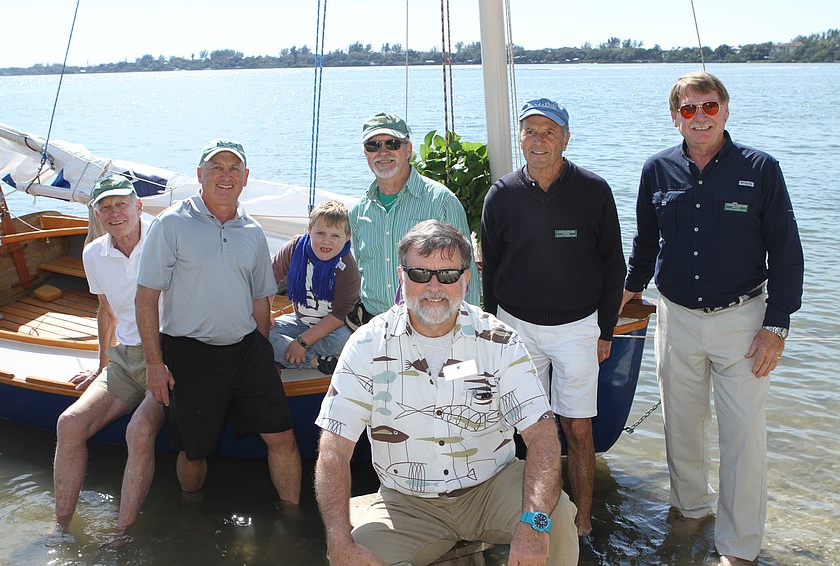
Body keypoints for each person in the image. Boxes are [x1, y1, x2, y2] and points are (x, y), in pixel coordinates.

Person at [314, 220, 580, 566]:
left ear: (466, 280)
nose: (434, 286)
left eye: (449, 275)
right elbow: (334, 448)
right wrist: (337, 538)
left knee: (556, 520)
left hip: (493, 487)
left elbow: (542, 435)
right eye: (421, 274)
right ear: (402, 277)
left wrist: (534, 524)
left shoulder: (500, 341)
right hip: (406, 504)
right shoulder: (366, 345)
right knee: (350, 559)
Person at [621, 71, 804, 564]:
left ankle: (739, 548)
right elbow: (644, 242)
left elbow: (787, 253)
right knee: (681, 426)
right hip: (675, 319)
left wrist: (776, 326)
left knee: (743, 436)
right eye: (688, 108)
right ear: (675, 115)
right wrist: (628, 292)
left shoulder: (761, 168)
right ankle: (690, 510)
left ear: (726, 109)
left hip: (744, 321)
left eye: (708, 106)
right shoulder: (656, 170)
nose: (699, 117)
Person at [480, 98, 626, 536]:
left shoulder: (594, 190)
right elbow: (492, 269)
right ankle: (532, 520)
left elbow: (612, 264)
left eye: (549, 131)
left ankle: (582, 523)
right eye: (530, 131)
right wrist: (491, 331)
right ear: (520, 138)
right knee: (523, 427)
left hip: (578, 328)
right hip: (516, 326)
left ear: (566, 138)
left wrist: (605, 331)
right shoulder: (500, 195)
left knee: (577, 428)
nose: (539, 140)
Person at [135, 139, 301, 503]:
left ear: (245, 177)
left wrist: (261, 352)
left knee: (284, 438)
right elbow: (147, 297)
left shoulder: (254, 232)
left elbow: (262, 300)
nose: (225, 175)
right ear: (200, 174)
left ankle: (291, 520)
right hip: (190, 354)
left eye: (233, 169)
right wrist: (154, 364)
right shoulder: (171, 224)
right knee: (194, 452)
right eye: (216, 167)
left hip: (246, 351)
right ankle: (191, 518)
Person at [53, 174, 165, 532]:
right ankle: (60, 526)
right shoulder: (93, 253)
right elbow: (107, 310)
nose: (115, 212)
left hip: (167, 357)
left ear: (139, 206)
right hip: (125, 358)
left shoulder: (165, 239)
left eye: (121, 204)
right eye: (105, 207)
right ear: (98, 215)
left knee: (139, 430)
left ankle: (120, 534)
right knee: (69, 424)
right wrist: (101, 365)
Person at [349, 112, 481, 321]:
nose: (383, 152)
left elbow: (467, 274)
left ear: (408, 149)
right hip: (375, 324)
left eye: (392, 144)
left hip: (430, 324)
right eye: (374, 146)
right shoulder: (358, 212)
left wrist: (468, 328)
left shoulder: (442, 202)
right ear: (365, 153)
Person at [270, 199, 359, 373]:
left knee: (344, 340)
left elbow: (340, 315)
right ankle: (316, 362)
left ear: (347, 237)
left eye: (335, 235)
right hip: (300, 320)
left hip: (333, 329)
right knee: (259, 331)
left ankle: (286, 354)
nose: (327, 241)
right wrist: (265, 313)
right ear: (309, 231)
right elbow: (269, 278)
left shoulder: (347, 268)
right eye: (320, 233)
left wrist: (302, 342)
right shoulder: (294, 249)